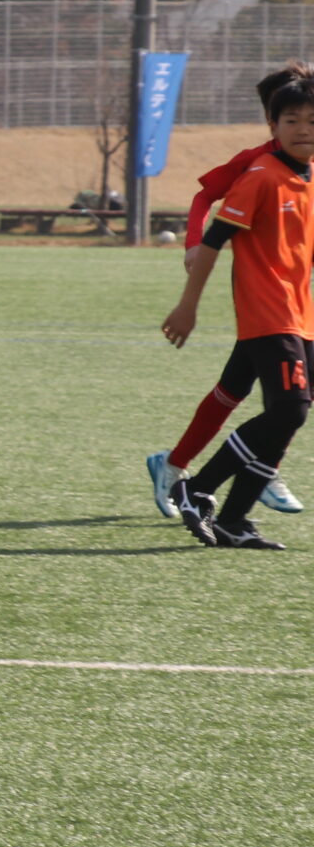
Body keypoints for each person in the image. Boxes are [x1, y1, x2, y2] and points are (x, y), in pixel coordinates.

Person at [158, 65, 314, 550]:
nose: (303, 129)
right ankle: (196, 487)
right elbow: (214, 238)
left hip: (300, 315)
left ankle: (233, 520)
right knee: (289, 409)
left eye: (311, 120)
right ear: (272, 124)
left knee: (281, 414)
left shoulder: (310, 176)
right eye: (291, 120)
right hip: (269, 313)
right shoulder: (260, 174)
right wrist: (187, 306)